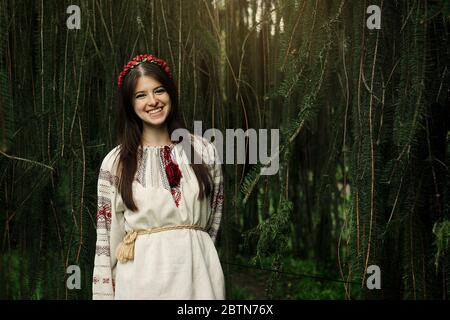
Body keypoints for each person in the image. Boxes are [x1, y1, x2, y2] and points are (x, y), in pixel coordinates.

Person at [92, 54, 225, 299]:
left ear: (171, 93)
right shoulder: (115, 163)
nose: (153, 101)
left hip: (199, 280)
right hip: (141, 283)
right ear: (130, 104)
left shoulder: (204, 151)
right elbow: (107, 241)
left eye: (159, 90)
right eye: (141, 95)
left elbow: (212, 224)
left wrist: (193, 248)